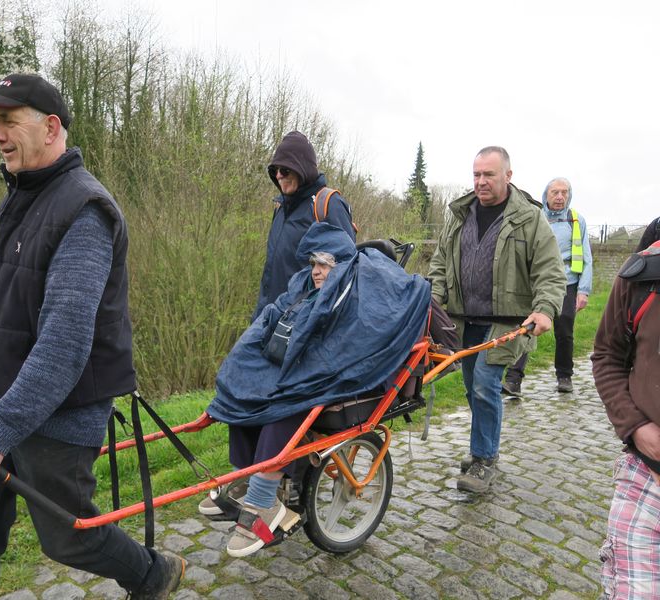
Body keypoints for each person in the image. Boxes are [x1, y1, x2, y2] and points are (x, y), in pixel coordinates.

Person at [0, 73, 183, 600]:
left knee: (68, 540)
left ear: (51, 127)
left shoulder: (83, 211)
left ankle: (153, 574)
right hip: (1, 405)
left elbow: (63, 346)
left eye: (8, 121)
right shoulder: (19, 199)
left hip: (60, 417)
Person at [202, 222, 431, 555]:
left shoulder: (356, 290)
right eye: (313, 264)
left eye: (325, 264)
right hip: (303, 365)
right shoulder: (305, 285)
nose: (317, 271)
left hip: (339, 374)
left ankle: (264, 501)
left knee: (285, 405)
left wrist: (302, 370)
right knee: (243, 394)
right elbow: (277, 315)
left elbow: (352, 341)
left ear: (339, 263)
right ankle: (247, 480)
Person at [428, 146, 566, 493]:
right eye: (476, 174)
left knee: (485, 384)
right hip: (462, 319)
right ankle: (483, 446)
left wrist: (546, 309)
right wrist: (432, 299)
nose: (480, 181)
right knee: (471, 386)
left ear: (508, 175)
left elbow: (550, 271)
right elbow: (441, 263)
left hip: (507, 322)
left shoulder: (529, 218)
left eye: (488, 174)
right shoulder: (460, 216)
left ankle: (484, 459)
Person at [592, 240, 660, 597]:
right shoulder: (643, 274)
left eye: (485, 175)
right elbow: (606, 354)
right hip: (647, 476)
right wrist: (635, 427)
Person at [502, 178, 593, 395]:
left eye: (564, 192)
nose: (560, 197)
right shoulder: (536, 217)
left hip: (567, 282)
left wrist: (584, 290)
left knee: (565, 330)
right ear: (546, 195)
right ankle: (513, 380)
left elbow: (587, 256)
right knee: (526, 327)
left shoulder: (576, 220)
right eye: (555, 192)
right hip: (537, 282)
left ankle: (564, 376)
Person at [253, 131, 356, 320]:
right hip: (270, 322)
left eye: (285, 170)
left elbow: (346, 275)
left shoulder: (328, 206)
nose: (278, 176)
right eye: (275, 171)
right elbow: (271, 275)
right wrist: (258, 319)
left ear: (302, 168)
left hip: (302, 326)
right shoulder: (281, 208)